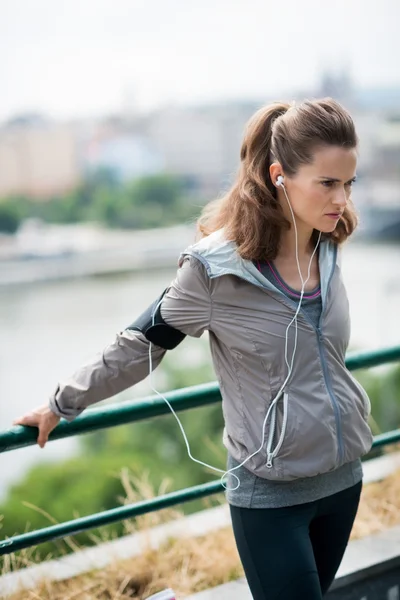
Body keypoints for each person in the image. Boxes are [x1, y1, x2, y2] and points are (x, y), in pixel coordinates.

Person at [14, 98, 374, 600]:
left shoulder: (327, 242)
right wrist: (61, 403)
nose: (343, 199)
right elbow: (140, 344)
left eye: (349, 182)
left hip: (342, 482)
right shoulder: (213, 270)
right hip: (271, 498)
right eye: (328, 183)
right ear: (279, 176)